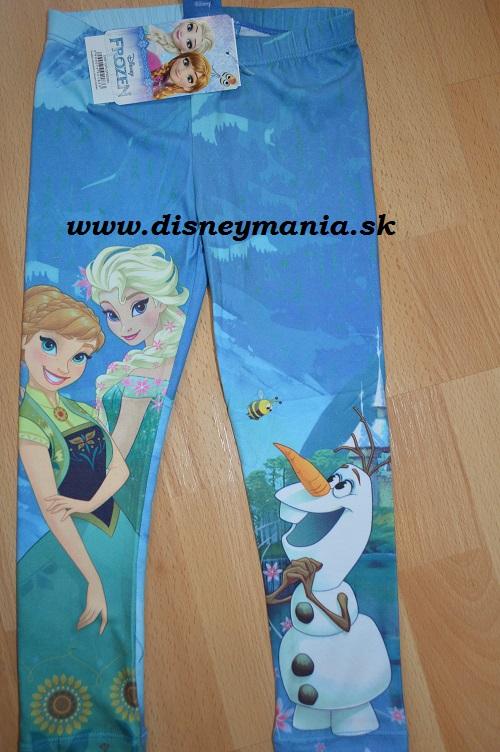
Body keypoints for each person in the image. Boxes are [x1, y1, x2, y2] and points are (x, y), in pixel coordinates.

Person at [86, 244, 189, 531]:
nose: (125, 326)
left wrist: (87, 490)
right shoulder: (153, 360)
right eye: (112, 314)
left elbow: (119, 446)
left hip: (125, 486)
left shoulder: (144, 374)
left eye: (138, 306)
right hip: (148, 479)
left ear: (160, 301)